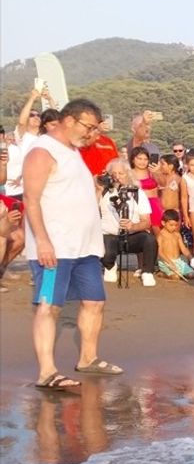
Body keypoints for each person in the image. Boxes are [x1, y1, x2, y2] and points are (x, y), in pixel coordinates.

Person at [25, 99, 121, 391]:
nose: (91, 133)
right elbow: (31, 199)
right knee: (48, 305)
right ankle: (47, 372)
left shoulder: (73, 152)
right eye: (88, 127)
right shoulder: (43, 151)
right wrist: (42, 241)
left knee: (95, 302)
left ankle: (88, 358)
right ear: (69, 120)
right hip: (56, 247)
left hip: (85, 247)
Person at [97, 157, 156, 286]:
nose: (117, 177)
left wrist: (133, 226)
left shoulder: (137, 193)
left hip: (131, 235)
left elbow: (147, 222)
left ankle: (147, 272)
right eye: (114, 174)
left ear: (128, 174)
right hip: (109, 235)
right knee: (103, 244)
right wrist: (99, 187)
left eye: (121, 173)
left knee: (149, 239)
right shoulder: (103, 192)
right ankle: (110, 265)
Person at [156, 209, 194, 280]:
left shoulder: (177, 234)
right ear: (163, 223)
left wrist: (191, 258)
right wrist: (170, 262)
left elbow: (183, 249)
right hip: (166, 262)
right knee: (175, 277)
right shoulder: (161, 235)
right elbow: (160, 252)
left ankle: (175, 271)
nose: (174, 227)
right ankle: (163, 273)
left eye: (176, 225)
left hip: (178, 261)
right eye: (171, 225)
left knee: (192, 274)